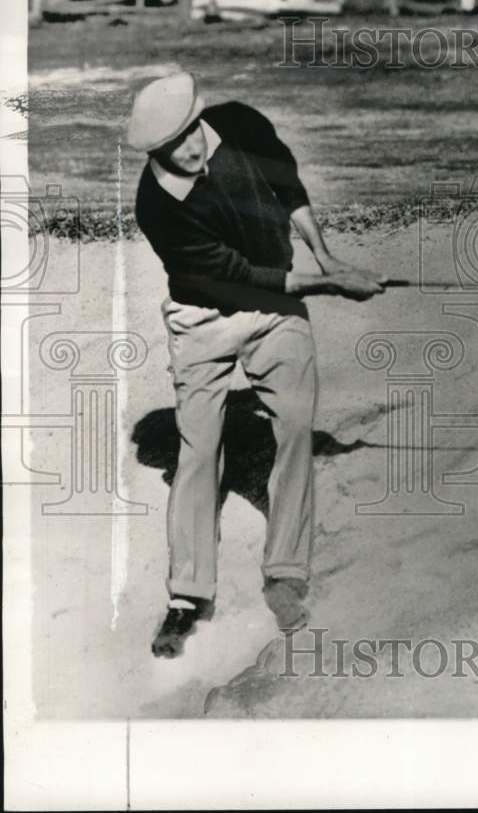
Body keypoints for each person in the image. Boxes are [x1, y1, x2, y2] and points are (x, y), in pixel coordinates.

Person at [129, 72, 384, 657]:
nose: (192, 146)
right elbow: (235, 277)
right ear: (155, 151)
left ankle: (286, 571)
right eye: (175, 144)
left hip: (277, 310)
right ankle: (188, 594)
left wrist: (327, 255)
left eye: (192, 130)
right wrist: (329, 284)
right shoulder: (157, 207)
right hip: (203, 320)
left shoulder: (241, 123)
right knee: (198, 447)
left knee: (294, 426)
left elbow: (287, 186)